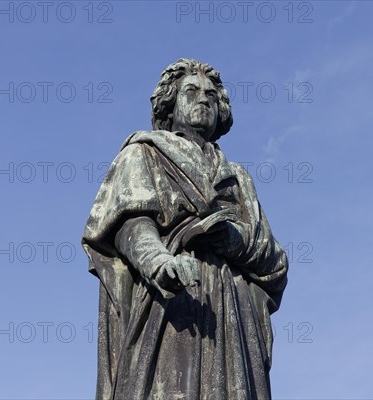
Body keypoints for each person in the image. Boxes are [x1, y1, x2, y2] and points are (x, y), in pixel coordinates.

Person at [81, 58, 289, 399]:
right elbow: (130, 225)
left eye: (210, 94)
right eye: (190, 91)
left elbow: (275, 263)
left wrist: (235, 241)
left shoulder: (238, 178)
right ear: (170, 103)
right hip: (173, 304)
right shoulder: (143, 154)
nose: (203, 99)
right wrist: (159, 263)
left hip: (232, 318)